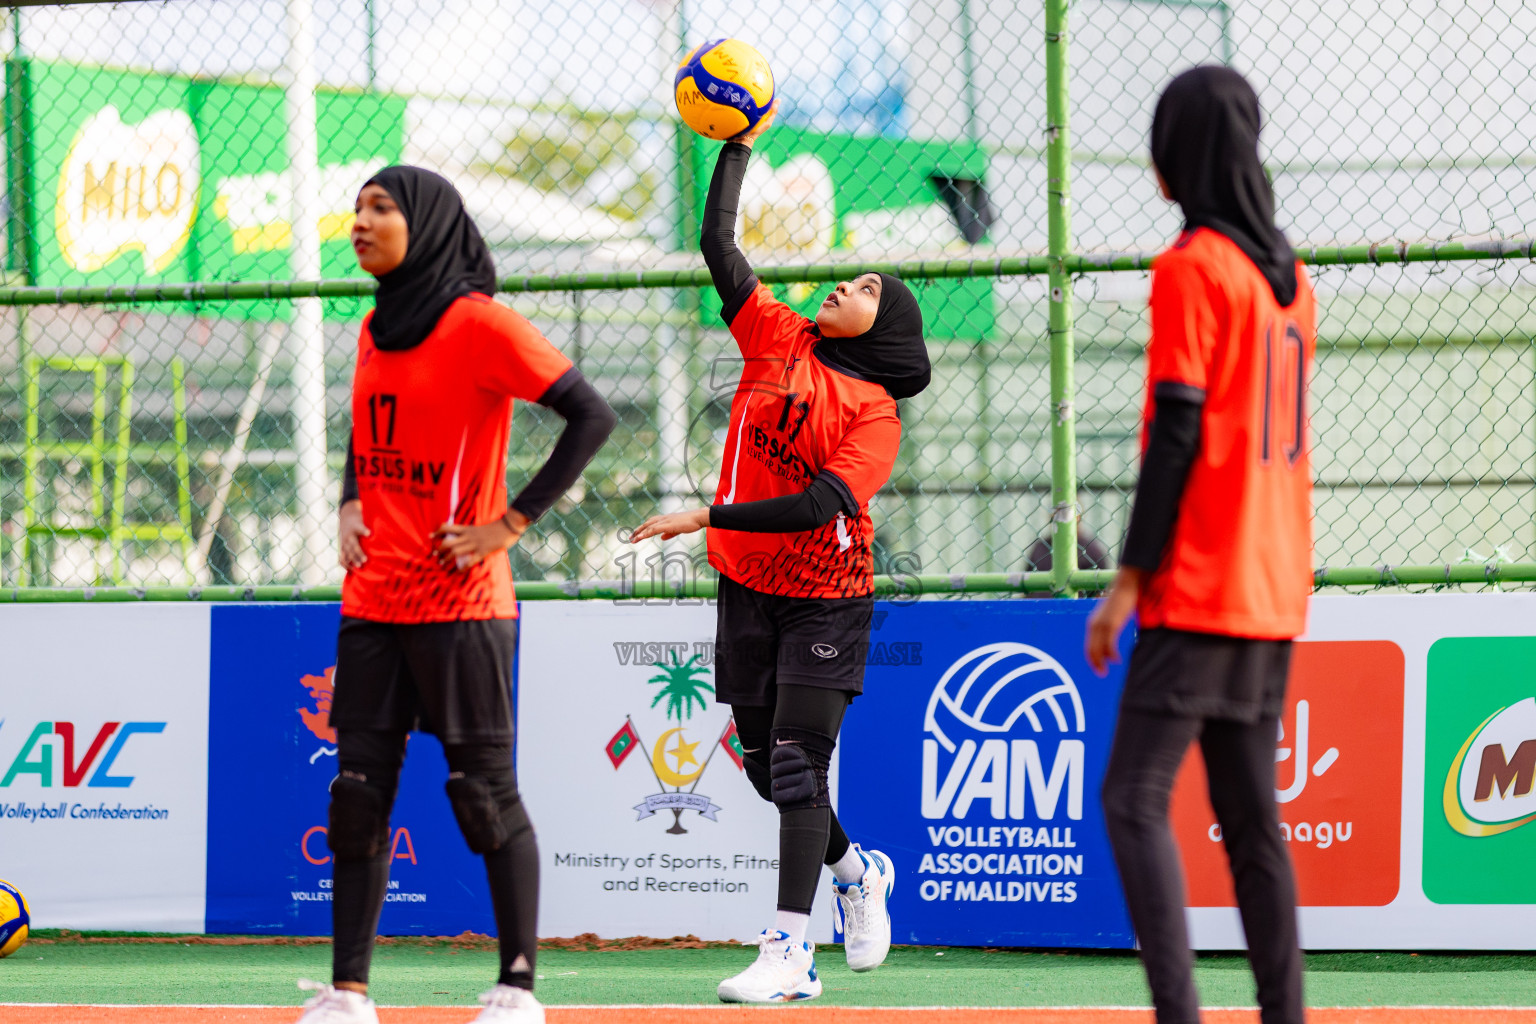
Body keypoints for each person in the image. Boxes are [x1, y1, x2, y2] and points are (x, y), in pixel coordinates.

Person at [294, 166, 616, 1024]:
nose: (360, 221)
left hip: (463, 602)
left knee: (483, 792)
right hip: (373, 599)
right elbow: (369, 428)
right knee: (357, 793)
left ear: (427, 223)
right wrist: (350, 500)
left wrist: (510, 523)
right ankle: (350, 993)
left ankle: (517, 989)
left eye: (381, 208)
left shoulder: (480, 324)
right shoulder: (371, 326)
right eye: (357, 207)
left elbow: (591, 414)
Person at [628, 103, 930, 1004]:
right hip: (748, 585)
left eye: (868, 287)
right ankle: (856, 871)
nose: (846, 285)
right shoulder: (778, 332)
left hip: (825, 595)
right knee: (763, 769)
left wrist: (704, 518)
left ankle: (789, 954)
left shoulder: (876, 416)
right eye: (851, 278)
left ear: (886, 327)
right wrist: (738, 147)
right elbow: (719, 245)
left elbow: (812, 508)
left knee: (800, 763)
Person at [1085, 66, 1316, 1024]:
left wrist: (1125, 582)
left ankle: (1178, 1015)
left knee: (1133, 799)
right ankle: (1283, 1016)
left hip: (1201, 578)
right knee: (1253, 821)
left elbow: (1178, 429)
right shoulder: (1291, 276)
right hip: (1273, 583)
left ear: (1176, 153)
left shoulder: (1192, 268)